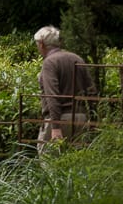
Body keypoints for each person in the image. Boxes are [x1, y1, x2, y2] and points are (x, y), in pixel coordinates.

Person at [34, 25, 97, 153]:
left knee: (48, 160)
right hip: (80, 118)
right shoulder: (77, 58)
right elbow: (92, 91)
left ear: (41, 44)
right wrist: (93, 120)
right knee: (76, 161)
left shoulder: (49, 63)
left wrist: (55, 127)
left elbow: (52, 96)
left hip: (59, 119)